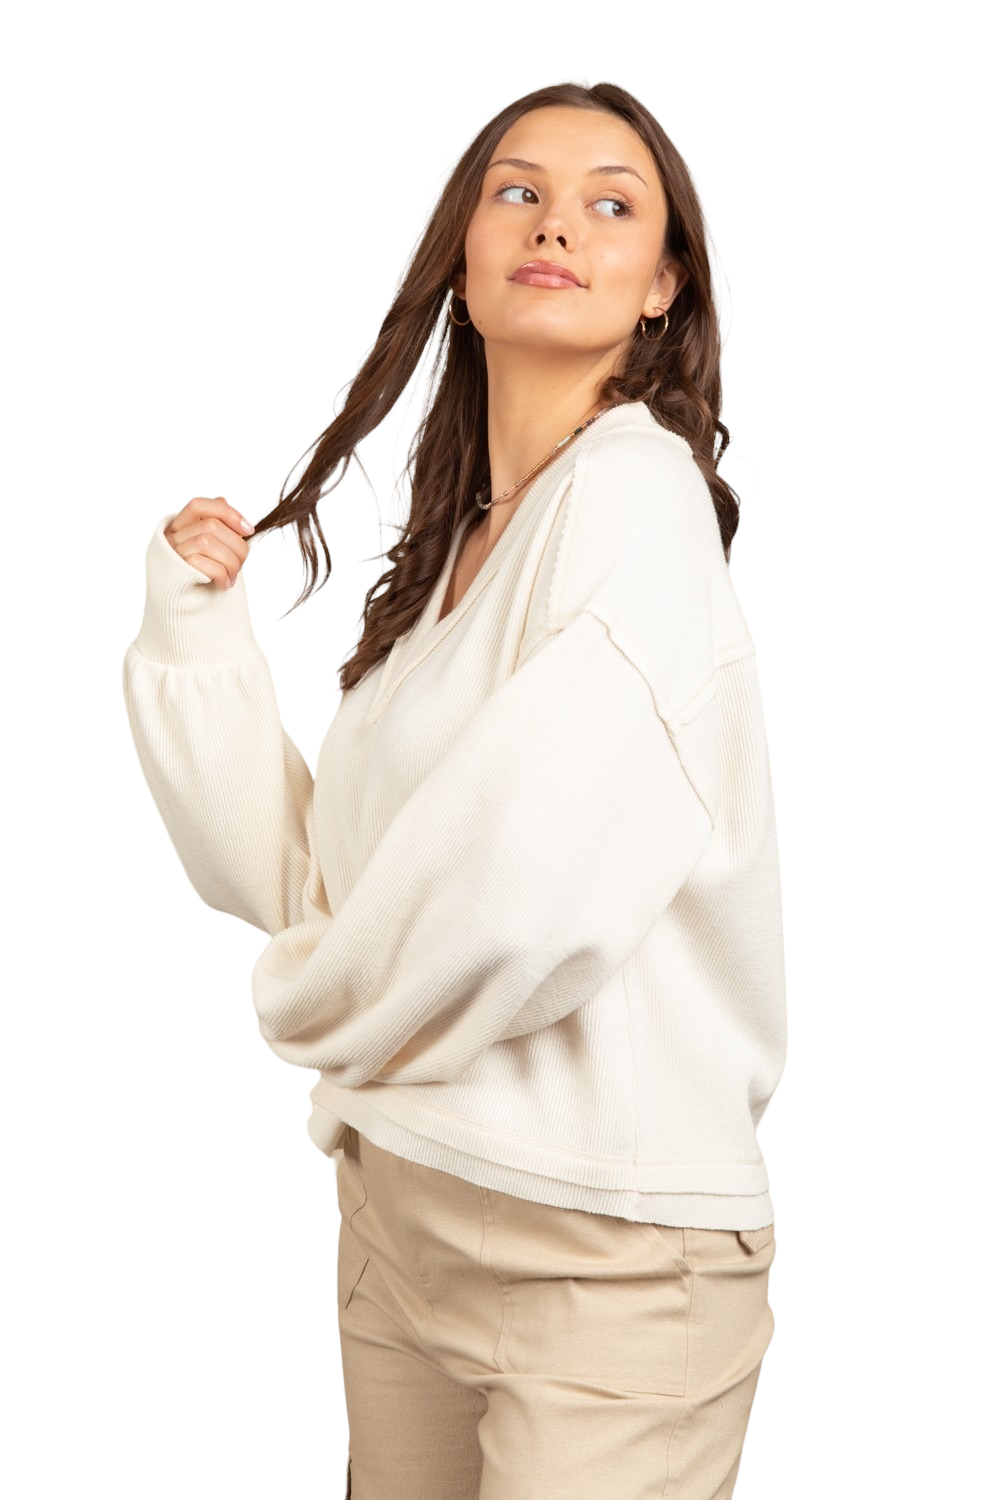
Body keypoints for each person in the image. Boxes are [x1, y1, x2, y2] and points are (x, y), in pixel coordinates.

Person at [122, 80, 787, 1500]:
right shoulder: (459, 552)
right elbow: (326, 888)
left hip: (605, 1256)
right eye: (517, 191)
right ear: (464, 258)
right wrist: (195, 638)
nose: (556, 224)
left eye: (612, 204)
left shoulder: (637, 499)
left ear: (663, 285)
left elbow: (517, 899)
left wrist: (312, 1022)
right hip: (401, 1209)